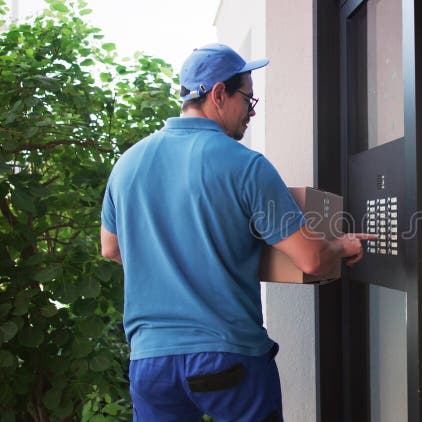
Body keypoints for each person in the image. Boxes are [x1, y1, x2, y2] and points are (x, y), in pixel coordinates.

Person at [100, 43, 373, 421]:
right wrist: (342, 246)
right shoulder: (246, 166)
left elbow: (111, 248)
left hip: (150, 362)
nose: (251, 111)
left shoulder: (126, 165)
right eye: (248, 98)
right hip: (226, 357)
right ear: (218, 94)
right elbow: (310, 259)